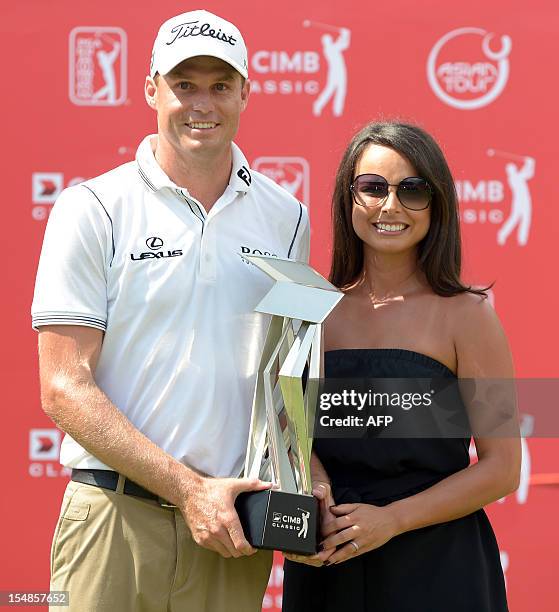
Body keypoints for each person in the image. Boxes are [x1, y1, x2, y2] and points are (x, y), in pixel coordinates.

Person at [32, 9, 309, 612]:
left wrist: (305, 480)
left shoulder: (287, 218)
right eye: (185, 84)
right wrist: (188, 490)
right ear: (152, 89)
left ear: (245, 93)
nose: (201, 103)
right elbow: (61, 385)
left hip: (231, 532)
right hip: (112, 518)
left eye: (219, 85)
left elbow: (287, 380)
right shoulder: (92, 208)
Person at [282, 121, 519, 612]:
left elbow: (502, 469)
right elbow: (289, 432)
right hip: (329, 558)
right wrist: (316, 485)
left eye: (412, 190)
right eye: (373, 187)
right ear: (349, 198)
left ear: (438, 205)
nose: (390, 206)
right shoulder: (308, 308)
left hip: (437, 568)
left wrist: (392, 520)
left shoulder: (468, 316)